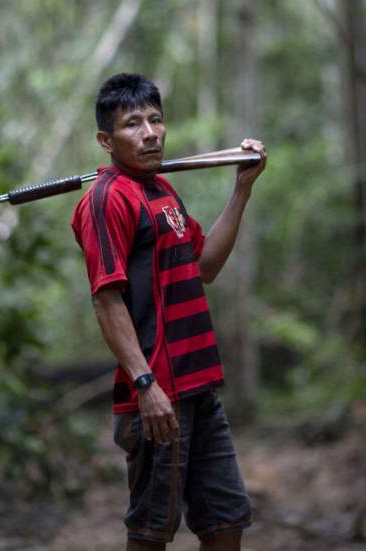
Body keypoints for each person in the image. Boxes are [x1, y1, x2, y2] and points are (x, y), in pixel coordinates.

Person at [71, 73, 266, 551]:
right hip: (158, 395)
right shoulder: (106, 199)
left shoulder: (160, 191)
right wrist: (144, 384)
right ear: (105, 140)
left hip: (198, 387)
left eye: (156, 120)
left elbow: (207, 266)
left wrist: (241, 189)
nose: (150, 132)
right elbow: (106, 299)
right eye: (133, 124)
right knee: (152, 533)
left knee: (225, 523)